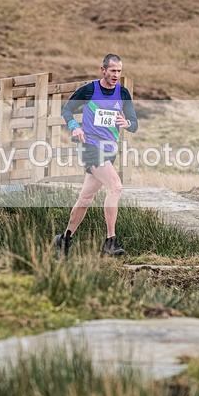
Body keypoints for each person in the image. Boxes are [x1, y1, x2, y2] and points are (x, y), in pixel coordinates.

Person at [54, 54, 138, 258]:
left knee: (86, 198)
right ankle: (111, 241)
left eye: (119, 71)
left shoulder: (123, 93)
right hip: (90, 146)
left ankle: (64, 239)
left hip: (110, 150)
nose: (116, 75)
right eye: (112, 71)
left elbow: (134, 124)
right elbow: (67, 109)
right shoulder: (89, 90)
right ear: (103, 70)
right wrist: (74, 126)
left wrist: (126, 123)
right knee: (115, 186)